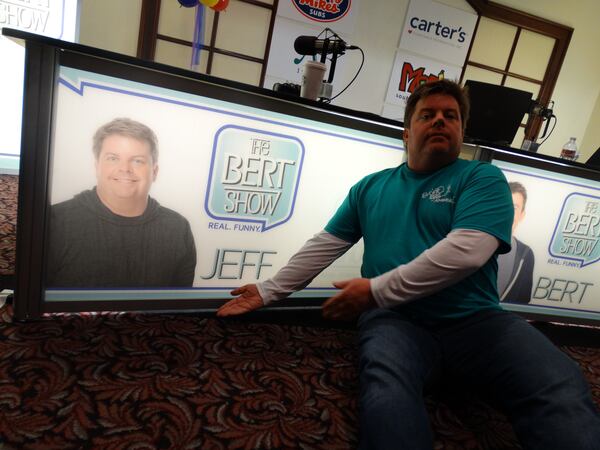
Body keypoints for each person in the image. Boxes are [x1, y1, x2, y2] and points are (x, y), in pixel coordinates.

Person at [217, 80, 600, 449]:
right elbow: (326, 244)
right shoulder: (370, 187)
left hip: (476, 321)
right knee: (386, 391)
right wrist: (269, 290)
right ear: (405, 132)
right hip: (395, 319)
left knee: (559, 383)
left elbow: (468, 250)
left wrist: (375, 290)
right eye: (427, 114)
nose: (439, 121)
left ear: (462, 131)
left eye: (450, 116)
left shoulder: (482, 177)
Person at [47, 118, 196, 288]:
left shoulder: (178, 229)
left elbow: (176, 307)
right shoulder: (54, 222)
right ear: (97, 166)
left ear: (154, 172)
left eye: (138, 160)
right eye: (113, 158)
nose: (124, 168)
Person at [498, 181, 535, 303]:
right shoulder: (473, 243)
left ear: (522, 215)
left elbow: (523, 302)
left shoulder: (526, 254)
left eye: (514, 208)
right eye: (504, 205)